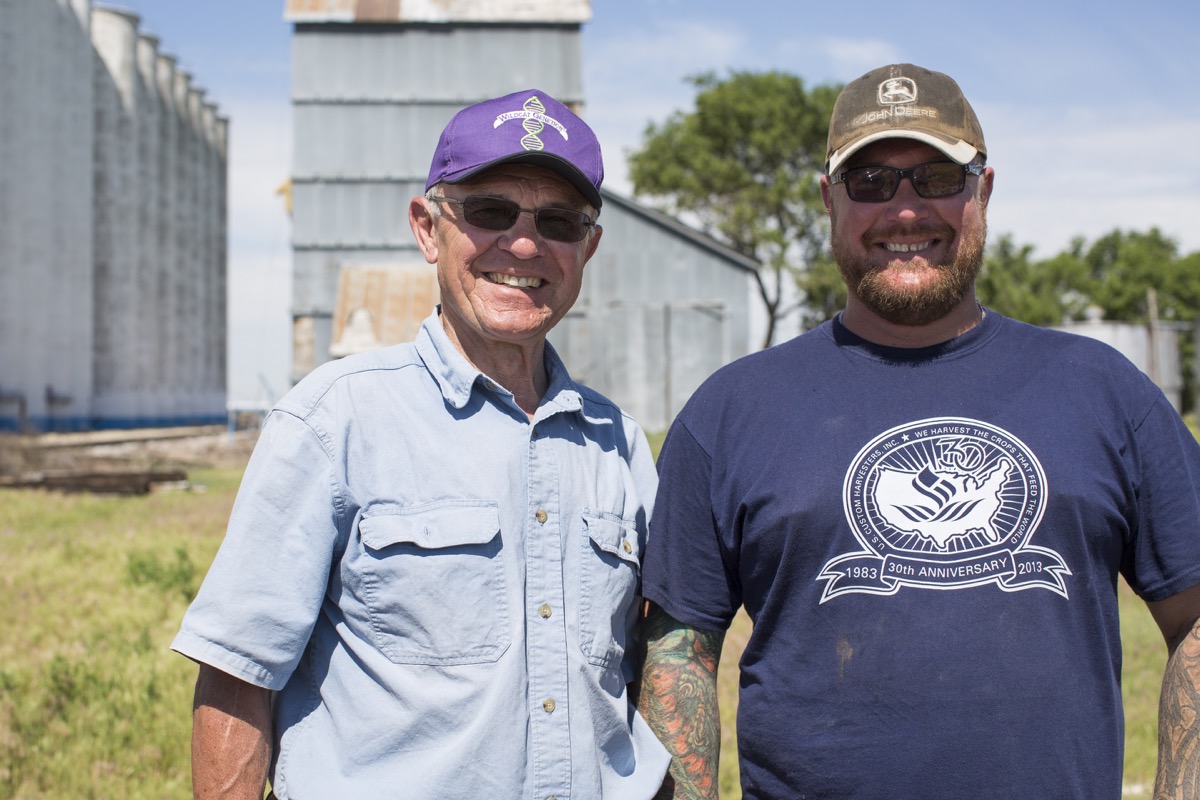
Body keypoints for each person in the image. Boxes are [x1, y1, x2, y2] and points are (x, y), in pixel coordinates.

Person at [637, 63, 1200, 799]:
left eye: (937, 178)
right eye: (869, 182)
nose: (905, 211)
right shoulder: (733, 409)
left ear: (984, 191)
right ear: (827, 200)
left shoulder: (1102, 389)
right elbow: (678, 657)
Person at [173, 88, 670, 799]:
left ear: (587, 248)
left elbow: (651, 666)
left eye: (558, 222)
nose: (524, 244)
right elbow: (237, 676)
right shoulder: (334, 421)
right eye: (491, 212)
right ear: (428, 228)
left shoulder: (616, 442)